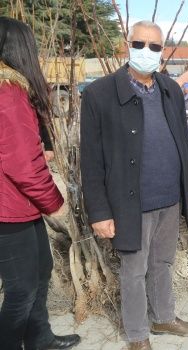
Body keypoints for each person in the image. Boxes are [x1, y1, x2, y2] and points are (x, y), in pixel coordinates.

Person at [80, 21, 188, 350]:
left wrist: (187, 187)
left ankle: (163, 317)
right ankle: (137, 335)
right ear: (126, 44)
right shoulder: (99, 94)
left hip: (169, 198)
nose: (147, 51)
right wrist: (99, 212)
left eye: (155, 46)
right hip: (130, 202)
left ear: (163, 52)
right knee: (134, 269)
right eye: (140, 43)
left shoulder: (170, 89)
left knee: (162, 262)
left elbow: (181, 140)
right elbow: (90, 161)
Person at [0, 16, 81, 350]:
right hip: (8, 209)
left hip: (20, 205)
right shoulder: (8, 93)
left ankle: (39, 338)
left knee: (41, 270)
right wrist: (57, 205)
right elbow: (24, 167)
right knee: (21, 289)